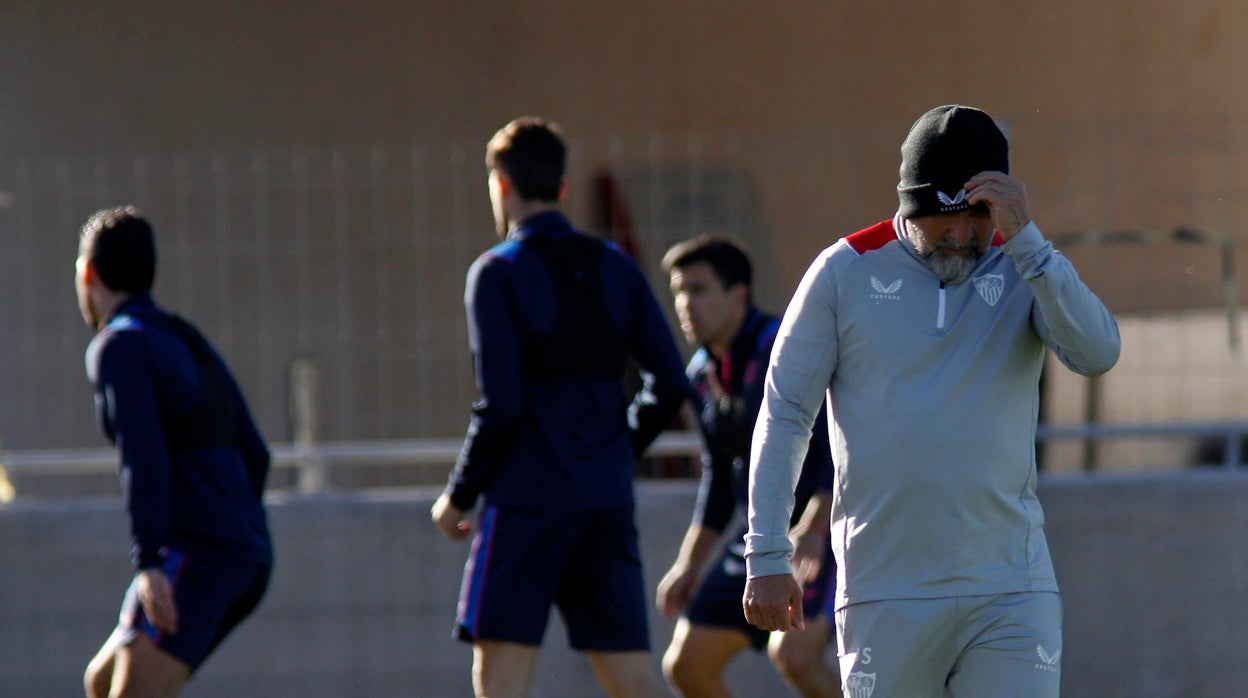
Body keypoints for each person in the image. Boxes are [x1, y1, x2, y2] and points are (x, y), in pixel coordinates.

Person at [742, 105, 1121, 698]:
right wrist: (766, 553)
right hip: (884, 592)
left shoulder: (1024, 263)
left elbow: (1097, 353)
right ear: (908, 203)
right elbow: (785, 415)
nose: (964, 235)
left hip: (1011, 589)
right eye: (945, 219)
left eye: (978, 216)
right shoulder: (843, 271)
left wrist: (1029, 242)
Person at [430, 116, 693, 698]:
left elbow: (501, 406)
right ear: (563, 188)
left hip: (526, 500)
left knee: (500, 679)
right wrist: (615, 450)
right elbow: (672, 382)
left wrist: (458, 494)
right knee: (629, 677)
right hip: (603, 497)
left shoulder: (496, 272)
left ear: (500, 182)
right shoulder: (614, 265)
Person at [76, 206, 273, 698]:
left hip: (199, 552)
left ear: (87, 273)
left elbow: (142, 454)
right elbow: (256, 451)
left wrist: (150, 560)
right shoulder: (182, 336)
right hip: (245, 547)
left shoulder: (117, 346)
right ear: (152, 277)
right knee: (101, 684)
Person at [656, 235, 842, 698]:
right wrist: (688, 565)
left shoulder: (786, 350)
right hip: (759, 538)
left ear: (738, 294)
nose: (685, 305)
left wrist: (816, 528)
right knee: (687, 665)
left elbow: (838, 450)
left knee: (794, 656)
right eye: (679, 292)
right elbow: (721, 476)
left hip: (822, 533)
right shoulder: (702, 375)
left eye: (698, 290)